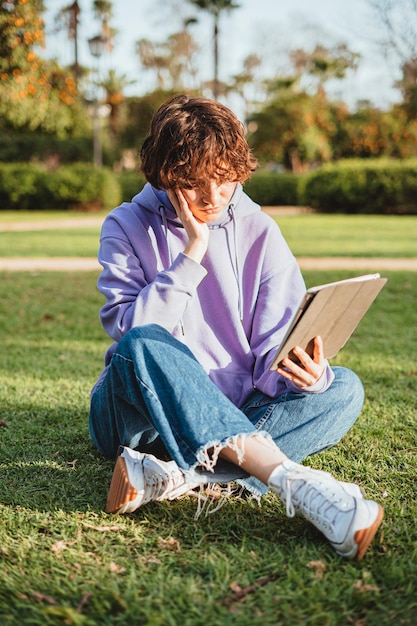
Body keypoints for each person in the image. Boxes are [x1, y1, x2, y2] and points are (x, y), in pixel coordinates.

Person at [89, 94, 383, 560]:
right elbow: (131, 332)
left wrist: (304, 372)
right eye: (193, 183)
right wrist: (192, 254)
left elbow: (273, 348)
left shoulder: (259, 229)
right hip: (139, 414)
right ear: (163, 173)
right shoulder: (125, 225)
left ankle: (179, 477)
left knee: (342, 387)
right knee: (144, 340)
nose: (212, 198)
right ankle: (293, 483)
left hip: (233, 405)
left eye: (224, 182)